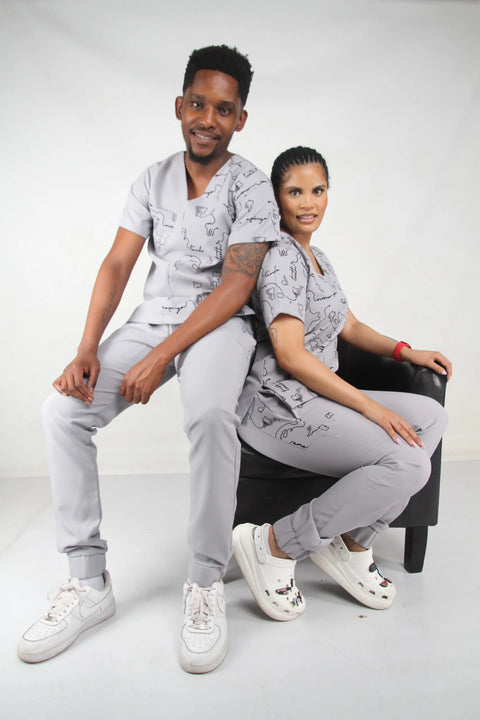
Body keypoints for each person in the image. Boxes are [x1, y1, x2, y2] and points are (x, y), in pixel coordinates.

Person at [17, 45, 279, 674]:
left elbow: (236, 287)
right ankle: (88, 582)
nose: (208, 119)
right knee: (62, 412)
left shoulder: (252, 187)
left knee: (210, 417)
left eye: (224, 109)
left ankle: (206, 581)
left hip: (219, 324)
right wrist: (86, 349)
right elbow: (117, 264)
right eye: (198, 104)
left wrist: (164, 356)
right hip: (154, 318)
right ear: (179, 106)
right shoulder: (151, 180)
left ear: (241, 119)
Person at [233, 146, 451, 621]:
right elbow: (290, 355)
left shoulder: (318, 257)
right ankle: (277, 545)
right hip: (279, 405)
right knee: (410, 463)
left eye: (317, 190)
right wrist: (371, 408)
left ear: (328, 193)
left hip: (318, 394)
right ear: (277, 197)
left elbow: (348, 326)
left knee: (432, 416)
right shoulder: (281, 257)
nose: (308, 203)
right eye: (295, 192)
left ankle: (353, 541)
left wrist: (405, 351)